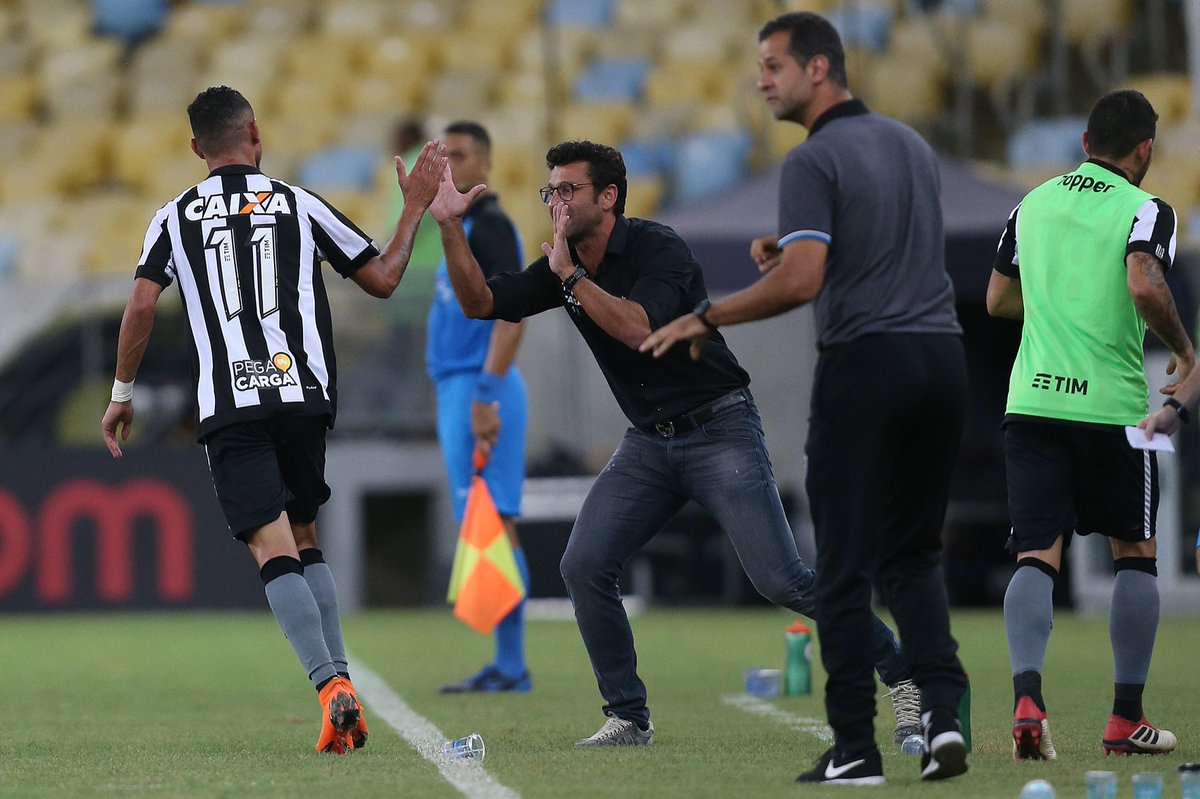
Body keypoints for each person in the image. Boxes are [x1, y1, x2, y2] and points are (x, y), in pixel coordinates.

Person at [428, 138, 919, 749]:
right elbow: (480, 302)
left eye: (568, 189)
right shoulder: (564, 265)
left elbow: (639, 329)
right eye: (550, 189)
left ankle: (904, 672)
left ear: (608, 197)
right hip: (648, 443)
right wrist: (450, 225)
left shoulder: (656, 246)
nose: (556, 201)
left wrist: (572, 278)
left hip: (718, 427)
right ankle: (629, 717)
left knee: (781, 579)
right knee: (583, 566)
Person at [642, 12, 969, 785]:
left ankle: (855, 745)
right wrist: (788, 246)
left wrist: (707, 313)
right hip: (944, 359)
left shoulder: (813, 158)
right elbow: (879, 248)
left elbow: (804, 281)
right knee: (915, 555)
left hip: (868, 362)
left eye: (772, 65)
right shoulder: (911, 145)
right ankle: (946, 721)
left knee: (846, 566)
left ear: (818, 69)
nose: (762, 81)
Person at [100, 86, 446, 755]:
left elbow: (142, 305)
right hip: (303, 395)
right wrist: (413, 211)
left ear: (197, 148)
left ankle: (328, 688)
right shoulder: (297, 201)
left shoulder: (173, 217)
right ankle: (342, 680)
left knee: (270, 544)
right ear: (254, 133)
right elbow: (381, 277)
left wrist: (121, 391)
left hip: (232, 403)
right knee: (305, 531)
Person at [987, 89, 1190, 760]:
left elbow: (997, 298)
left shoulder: (1030, 204)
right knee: (1134, 550)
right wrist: (1187, 352)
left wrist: (1056, 310)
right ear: (1145, 152)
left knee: (1034, 552)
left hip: (1033, 401)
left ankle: (1026, 698)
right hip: (1113, 410)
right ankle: (1123, 719)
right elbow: (1143, 284)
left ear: (1082, 143)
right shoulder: (1147, 209)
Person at [427, 121, 532, 694]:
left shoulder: (491, 228)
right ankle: (507, 663)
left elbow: (512, 314)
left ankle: (512, 666)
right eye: (442, 155)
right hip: (461, 387)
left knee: (497, 524)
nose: (449, 164)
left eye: (460, 155)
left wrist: (486, 394)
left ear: (486, 163)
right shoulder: (463, 227)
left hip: (478, 388)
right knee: (488, 524)